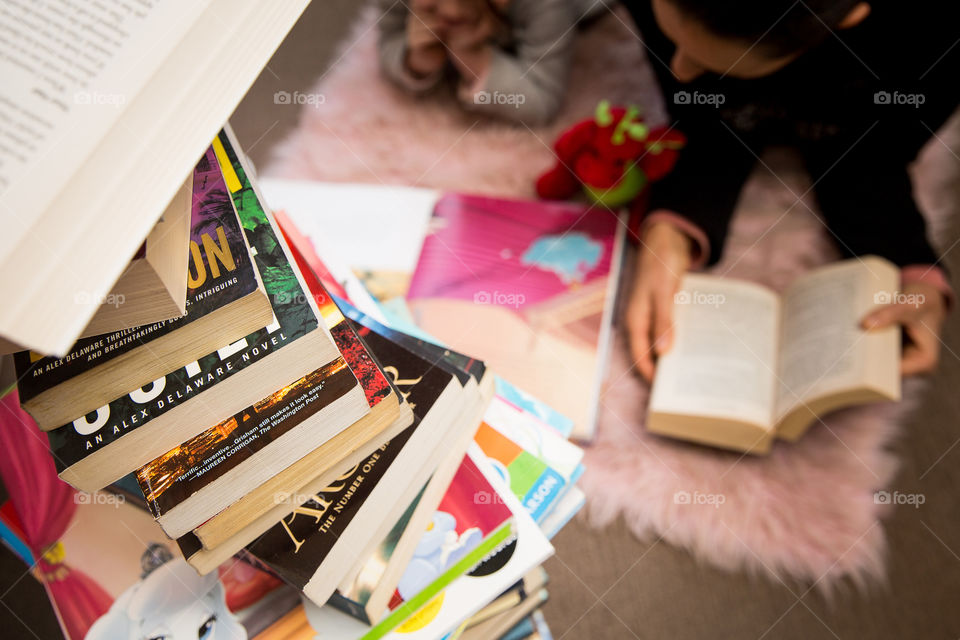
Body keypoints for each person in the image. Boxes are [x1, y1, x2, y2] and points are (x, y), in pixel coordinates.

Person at [619, 0, 958, 380]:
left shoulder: (932, 47)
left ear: (845, 18)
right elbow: (704, 118)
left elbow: (868, 150)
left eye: (709, 60)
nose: (679, 71)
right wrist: (674, 226)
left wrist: (907, 262)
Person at [377, 0, 605, 125]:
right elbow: (388, 37)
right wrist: (416, 61)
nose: (449, 11)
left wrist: (475, 60)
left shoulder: (547, 6)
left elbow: (542, 101)